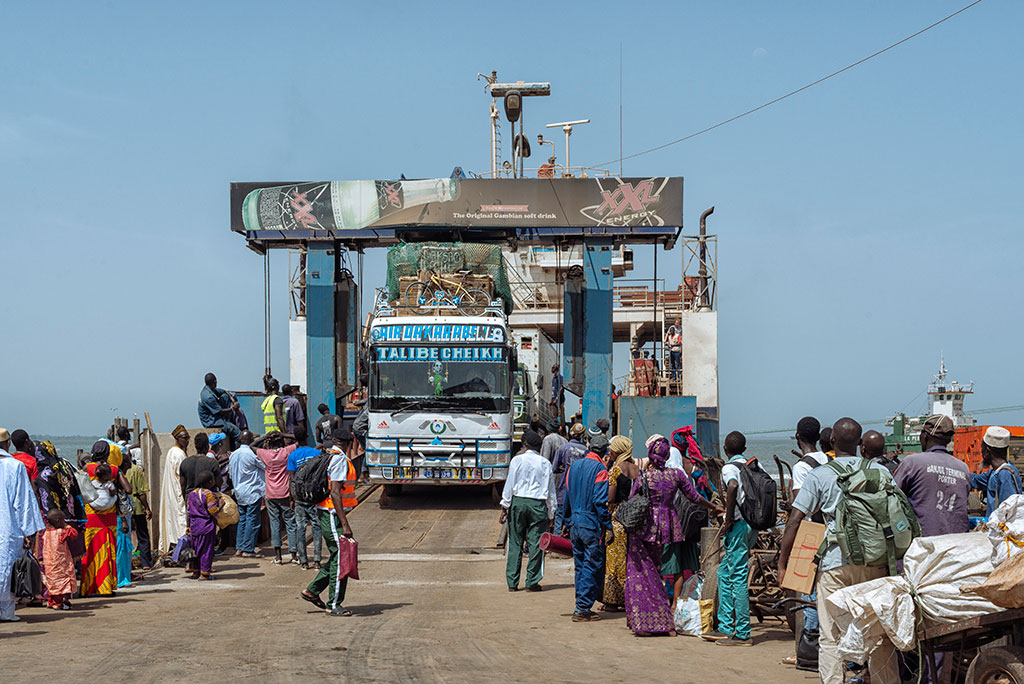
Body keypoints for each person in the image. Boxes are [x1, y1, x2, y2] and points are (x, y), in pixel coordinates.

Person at [778, 418, 900, 684]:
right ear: (860, 443)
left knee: (830, 635)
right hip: (874, 561)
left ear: (832, 442)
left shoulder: (820, 474)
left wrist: (782, 563)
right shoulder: (880, 472)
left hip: (834, 563)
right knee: (878, 633)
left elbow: (795, 519)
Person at [626, 436, 720, 636]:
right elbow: (694, 497)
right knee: (660, 570)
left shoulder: (644, 477)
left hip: (646, 528)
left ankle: (647, 622)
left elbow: (632, 500)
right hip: (669, 526)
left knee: (644, 573)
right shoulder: (676, 475)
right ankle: (666, 618)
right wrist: (714, 506)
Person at [702, 431, 758, 646]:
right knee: (725, 572)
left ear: (726, 449)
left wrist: (729, 518)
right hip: (752, 524)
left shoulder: (729, 468)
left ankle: (743, 632)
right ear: (743, 449)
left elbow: (733, 486)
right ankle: (725, 626)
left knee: (737, 577)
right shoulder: (754, 465)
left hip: (738, 524)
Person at [300, 430, 357, 616]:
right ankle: (334, 604)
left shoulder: (329, 455)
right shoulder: (340, 460)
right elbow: (335, 493)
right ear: (348, 444)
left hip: (328, 512)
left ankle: (312, 590)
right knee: (342, 559)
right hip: (332, 514)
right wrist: (345, 524)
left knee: (337, 557)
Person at [562, 435, 612, 622]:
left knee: (580, 565)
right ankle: (582, 608)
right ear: (605, 451)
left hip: (574, 522)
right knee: (592, 565)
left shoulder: (573, 467)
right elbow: (600, 501)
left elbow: (566, 496)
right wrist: (608, 526)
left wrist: (566, 523)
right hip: (590, 524)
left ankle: (580, 605)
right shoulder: (600, 469)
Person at [499, 430, 556, 592]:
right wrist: (551, 514)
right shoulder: (545, 463)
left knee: (515, 542)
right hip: (537, 505)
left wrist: (505, 508)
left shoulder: (516, 461)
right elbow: (550, 491)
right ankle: (532, 582)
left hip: (518, 502)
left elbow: (509, 485)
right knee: (536, 544)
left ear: (525, 444)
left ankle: (512, 582)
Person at [894, 415, 969, 536]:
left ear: (925, 436)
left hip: (924, 544)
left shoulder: (912, 463)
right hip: (957, 543)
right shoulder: (963, 468)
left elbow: (893, 499)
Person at [1, 436, 45, 622]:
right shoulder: (15, 466)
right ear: (7, 443)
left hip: (8, 526)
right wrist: (30, 531)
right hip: (8, 526)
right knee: (7, 567)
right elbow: (24, 502)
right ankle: (7, 612)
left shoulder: (16, 465)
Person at [80, 442, 132, 597]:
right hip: (108, 518)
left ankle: (87, 588)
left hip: (90, 516)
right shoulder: (114, 470)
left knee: (89, 553)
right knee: (107, 553)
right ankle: (105, 588)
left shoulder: (86, 469)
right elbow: (129, 489)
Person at [600, 435, 637, 612]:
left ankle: (612, 601)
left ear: (619, 451)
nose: (610, 452)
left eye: (613, 449)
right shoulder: (637, 469)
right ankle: (629, 598)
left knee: (615, 560)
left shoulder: (615, 470)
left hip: (618, 518)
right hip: (633, 518)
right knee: (630, 560)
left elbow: (610, 497)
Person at [255, 431, 299, 564]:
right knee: (290, 523)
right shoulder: (285, 452)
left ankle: (278, 556)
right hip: (285, 493)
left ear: (269, 443)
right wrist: (283, 434)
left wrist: (264, 436)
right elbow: (299, 439)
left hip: (271, 494)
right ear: (280, 442)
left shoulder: (265, 454)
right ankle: (293, 555)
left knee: (274, 524)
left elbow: (249, 445)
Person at [287, 427, 324, 569]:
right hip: (315, 496)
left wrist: (292, 498)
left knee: (300, 528)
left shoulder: (293, 456)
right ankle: (317, 560)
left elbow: (292, 479)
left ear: (295, 438)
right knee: (317, 527)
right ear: (307, 436)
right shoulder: (317, 453)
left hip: (300, 497)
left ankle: (303, 561)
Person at [971, 426, 1023, 517]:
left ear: (987, 451)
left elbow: (1006, 512)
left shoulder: (1005, 475)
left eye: (982, 448)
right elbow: (974, 480)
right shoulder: (995, 473)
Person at [229, 430, 265, 558]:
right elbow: (265, 467)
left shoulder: (233, 455)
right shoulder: (250, 454)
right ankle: (248, 549)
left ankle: (239, 547)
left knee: (242, 519)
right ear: (250, 440)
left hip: (239, 491)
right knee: (252, 520)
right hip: (252, 491)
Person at [551, 423, 588, 535]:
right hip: (579, 492)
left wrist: (564, 469)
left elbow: (554, 468)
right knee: (574, 518)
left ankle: (556, 546)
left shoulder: (563, 448)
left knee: (559, 517)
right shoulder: (586, 450)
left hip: (564, 488)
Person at [159, 425, 190, 557]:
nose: (187, 440)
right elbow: (182, 477)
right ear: (178, 438)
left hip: (173, 492)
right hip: (178, 492)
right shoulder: (179, 454)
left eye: (188, 438)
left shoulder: (172, 451)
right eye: (185, 438)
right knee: (181, 522)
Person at [185, 470, 221, 580]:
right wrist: (221, 505)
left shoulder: (192, 494)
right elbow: (213, 511)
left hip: (195, 527)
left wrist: (188, 526)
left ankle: (196, 572)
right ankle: (204, 574)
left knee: (197, 550)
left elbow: (188, 512)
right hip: (206, 527)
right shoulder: (209, 495)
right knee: (206, 550)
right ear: (210, 482)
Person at [41, 509, 78, 610]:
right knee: (61, 582)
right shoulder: (61, 532)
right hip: (61, 563)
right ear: (58, 521)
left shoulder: (46, 532)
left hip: (50, 563)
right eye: (63, 520)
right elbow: (73, 534)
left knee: (53, 582)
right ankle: (57, 603)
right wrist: (68, 526)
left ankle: (53, 601)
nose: (64, 522)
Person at [122, 452, 153, 569]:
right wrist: (147, 508)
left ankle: (128, 563)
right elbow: (141, 492)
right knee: (143, 535)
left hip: (124, 508)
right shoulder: (136, 470)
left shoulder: (118, 472)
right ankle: (146, 563)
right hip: (137, 506)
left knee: (127, 536)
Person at [198, 372, 242, 447]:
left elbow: (226, 392)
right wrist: (233, 408)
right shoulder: (208, 397)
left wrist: (233, 400)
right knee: (237, 433)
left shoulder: (211, 390)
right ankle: (236, 450)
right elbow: (220, 411)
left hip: (216, 416)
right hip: (211, 421)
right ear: (215, 381)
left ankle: (228, 420)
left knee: (225, 396)